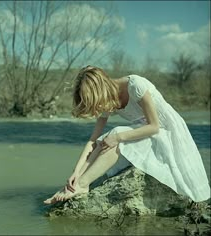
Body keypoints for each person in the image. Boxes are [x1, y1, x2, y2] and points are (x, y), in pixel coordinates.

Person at [44, 65, 211, 204]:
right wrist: (76, 171)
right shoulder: (106, 99)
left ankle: (82, 184)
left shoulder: (135, 86)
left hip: (166, 132)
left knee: (116, 133)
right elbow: (92, 140)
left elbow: (154, 127)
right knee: (103, 140)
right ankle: (74, 184)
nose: (100, 109)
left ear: (102, 90)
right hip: (144, 132)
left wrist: (117, 138)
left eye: (97, 103)